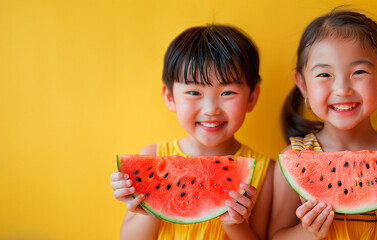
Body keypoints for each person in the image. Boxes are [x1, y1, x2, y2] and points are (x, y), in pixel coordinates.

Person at [269, 9, 377, 240]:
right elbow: (275, 237)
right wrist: (309, 231)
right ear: (302, 85)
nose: (343, 89)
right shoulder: (293, 158)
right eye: (324, 75)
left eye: (359, 72)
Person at [110, 24, 274, 240]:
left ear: (251, 98)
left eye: (227, 92)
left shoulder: (263, 171)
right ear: (169, 97)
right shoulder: (152, 156)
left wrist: (235, 225)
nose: (210, 109)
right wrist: (150, 205)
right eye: (194, 92)